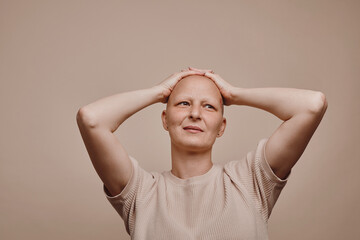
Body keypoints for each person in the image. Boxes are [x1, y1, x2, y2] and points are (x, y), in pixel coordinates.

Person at [76, 67, 328, 239]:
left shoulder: (251, 181)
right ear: (165, 119)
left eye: (209, 106)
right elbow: (91, 119)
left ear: (222, 126)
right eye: (183, 103)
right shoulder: (140, 193)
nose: (195, 113)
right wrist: (160, 92)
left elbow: (312, 105)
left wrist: (234, 94)